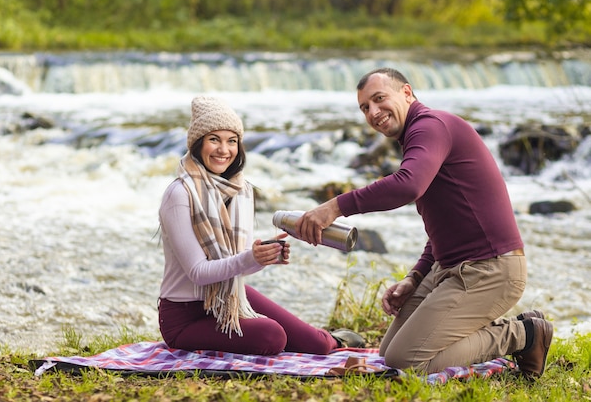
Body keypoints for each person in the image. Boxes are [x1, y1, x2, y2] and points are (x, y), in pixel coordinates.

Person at [294, 68, 553, 379]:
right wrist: (415, 276)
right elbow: (444, 223)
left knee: (408, 359)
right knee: (389, 352)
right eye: (365, 107)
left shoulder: (431, 126)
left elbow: (407, 186)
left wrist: (335, 207)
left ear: (406, 92)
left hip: (490, 270)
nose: (373, 113)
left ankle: (524, 334)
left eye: (379, 99)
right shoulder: (420, 135)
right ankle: (508, 328)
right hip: (450, 269)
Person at [158, 95, 364, 356]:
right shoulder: (179, 194)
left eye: (231, 141)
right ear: (198, 144)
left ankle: (333, 339)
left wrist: (264, 256)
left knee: (319, 346)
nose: (224, 150)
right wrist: (250, 257)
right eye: (214, 140)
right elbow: (198, 272)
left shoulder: (241, 191)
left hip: (230, 297)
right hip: (185, 318)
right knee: (271, 336)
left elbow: (239, 266)